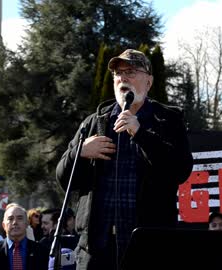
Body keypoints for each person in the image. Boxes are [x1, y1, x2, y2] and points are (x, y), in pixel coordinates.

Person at [55, 48, 194, 269]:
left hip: (147, 246)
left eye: (131, 71)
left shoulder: (168, 119)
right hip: (96, 248)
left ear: (148, 82)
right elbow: (63, 178)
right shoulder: (94, 122)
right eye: (118, 73)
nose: (123, 78)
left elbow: (180, 170)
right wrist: (79, 152)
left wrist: (141, 134)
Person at [0, 203, 49, 270]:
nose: (15, 222)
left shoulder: (42, 251)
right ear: (4, 225)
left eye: (20, 218)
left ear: (27, 223)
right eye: (10, 219)